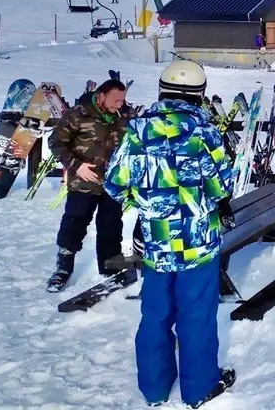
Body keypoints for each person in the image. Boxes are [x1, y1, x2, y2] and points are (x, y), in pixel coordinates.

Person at [105, 60, 236, 408]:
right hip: (198, 244)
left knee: (156, 312)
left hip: (156, 243)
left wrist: (145, 200)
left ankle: (154, 388)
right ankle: (200, 388)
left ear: (162, 90)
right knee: (197, 314)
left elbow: (114, 185)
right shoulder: (205, 132)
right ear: (199, 95)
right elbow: (223, 185)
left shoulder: (137, 131)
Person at [47, 78, 131, 292]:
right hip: (83, 182)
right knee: (74, 223)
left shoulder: (125, 115)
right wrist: (76, 164)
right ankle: (63, 268)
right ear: (101, 95)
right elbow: (56, 142)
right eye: (115, 100)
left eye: (122, 100)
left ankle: (111, 267)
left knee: (111, 225)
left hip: (113, 183)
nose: (119, 105)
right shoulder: (78, 114)